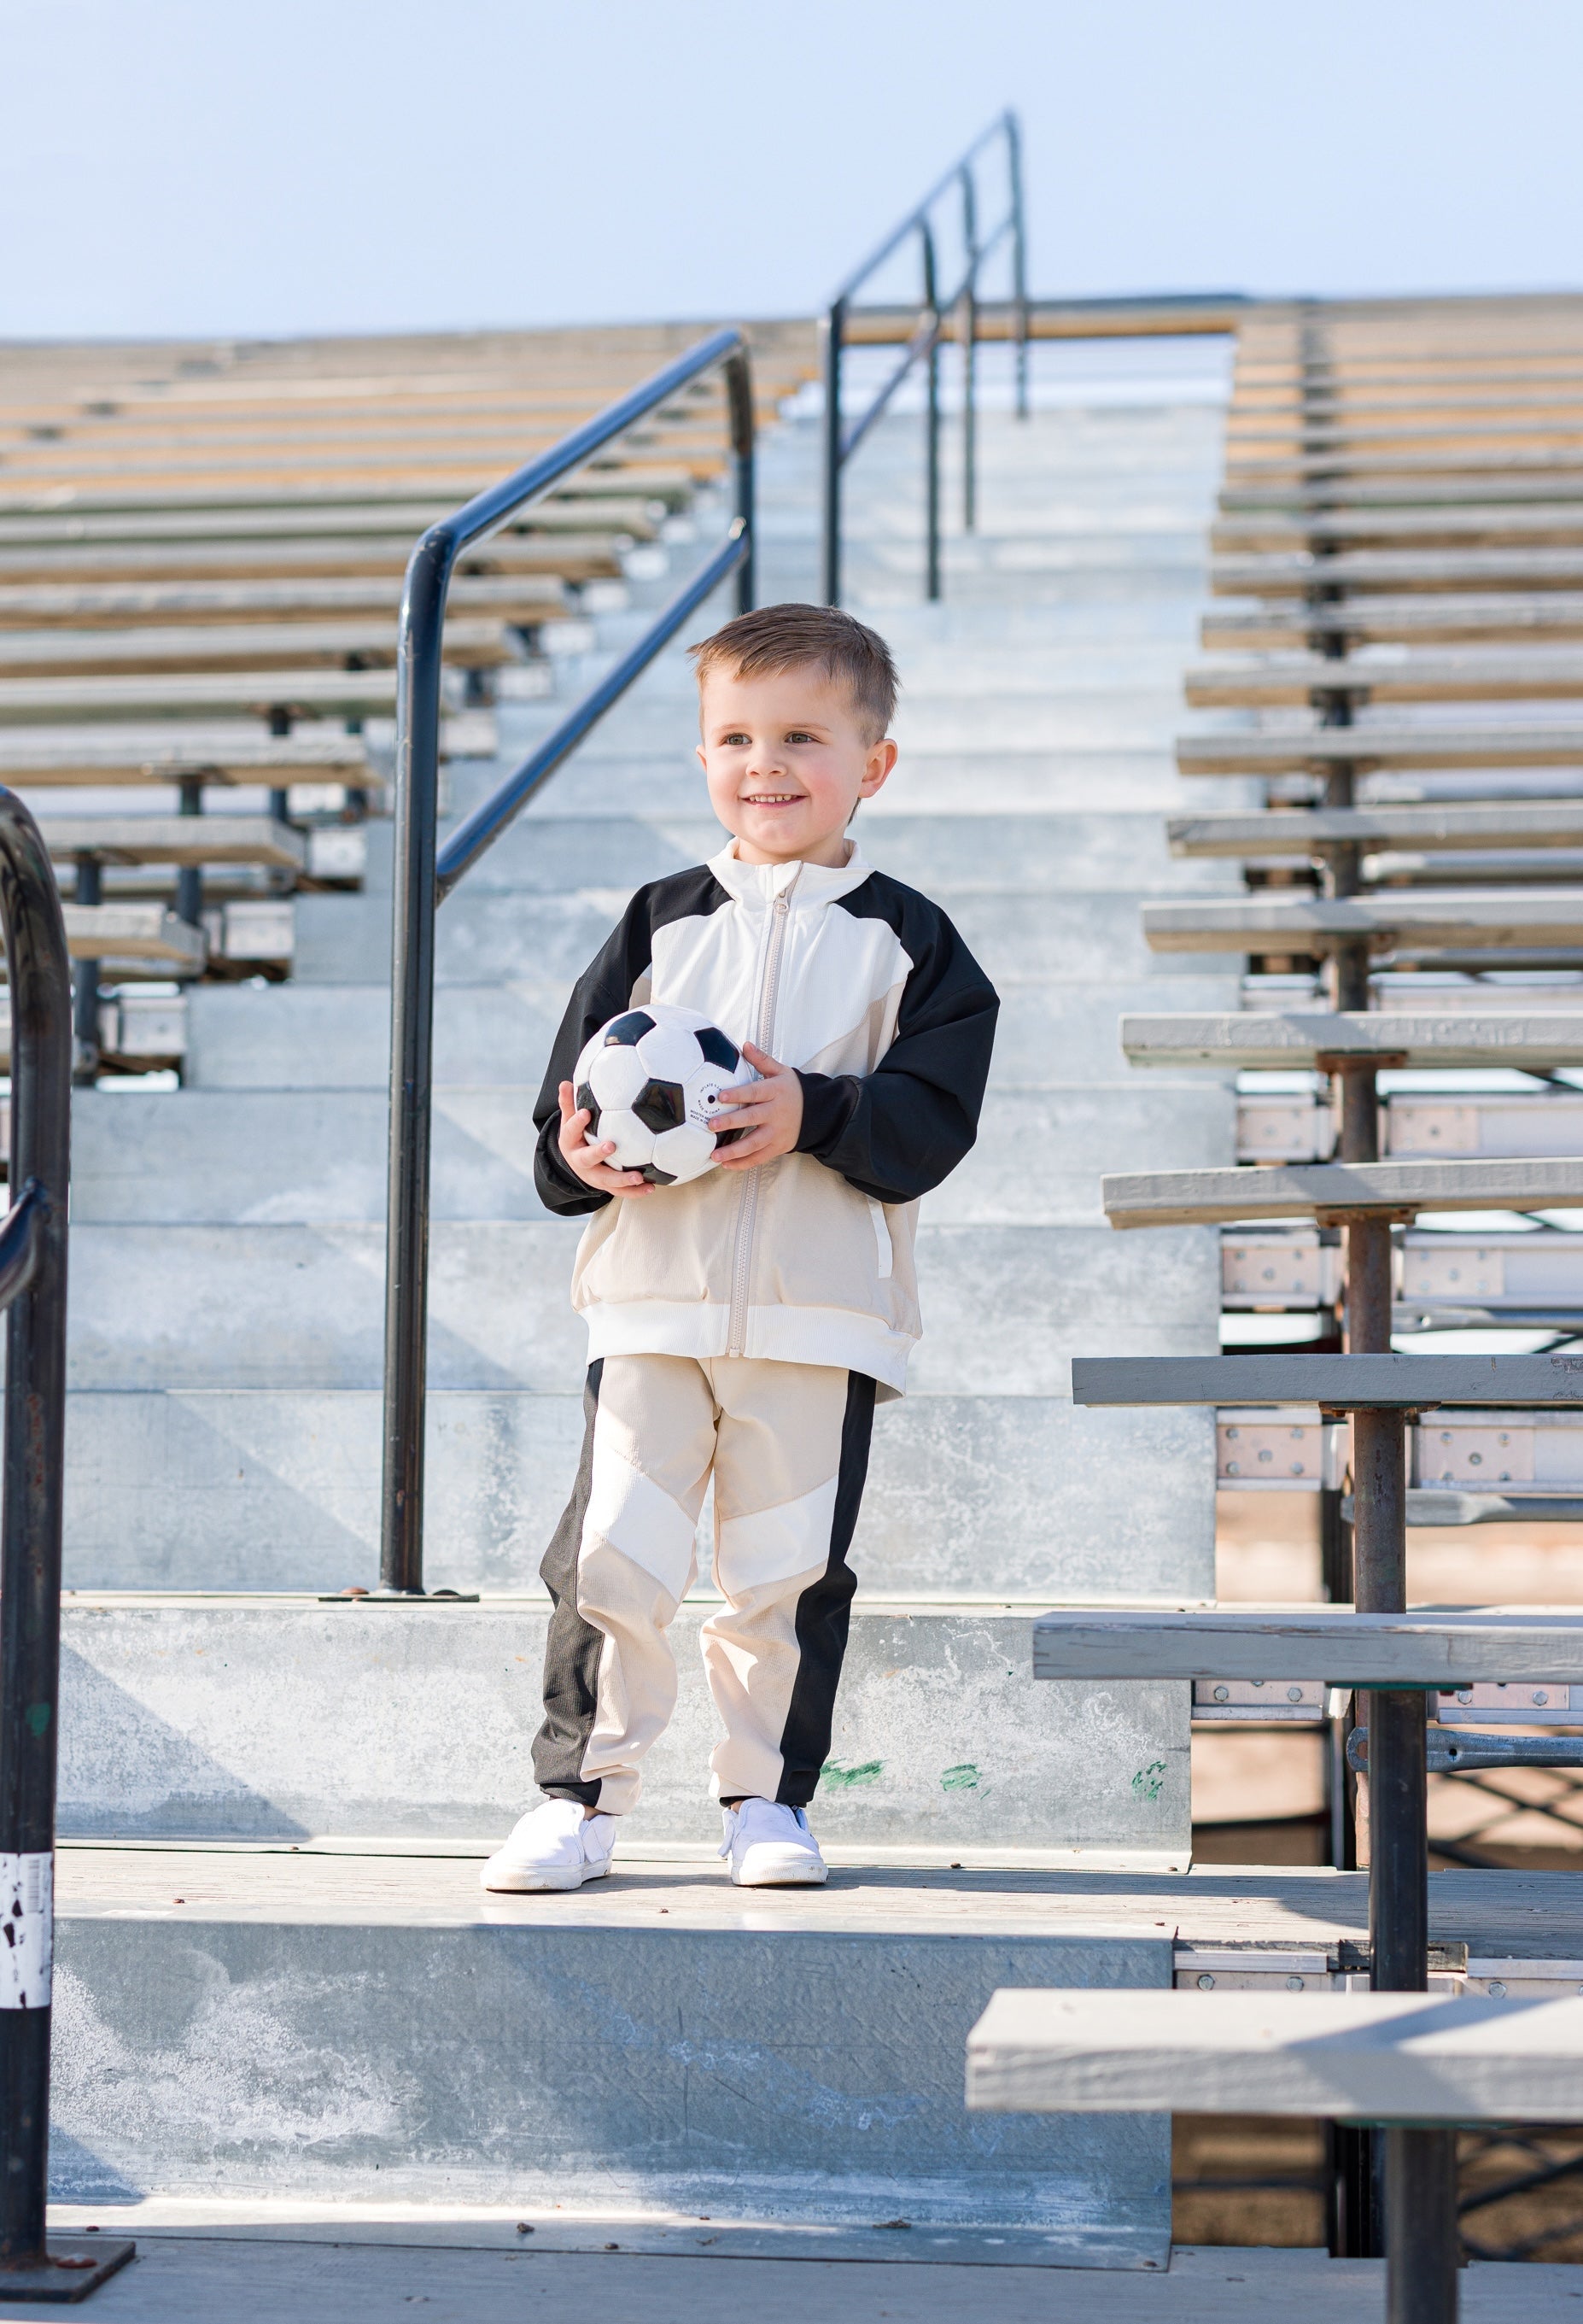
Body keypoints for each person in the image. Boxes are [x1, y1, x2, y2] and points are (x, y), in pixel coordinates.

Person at [482, 602, 998, 1893]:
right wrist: (577, 1159)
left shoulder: (914, 943)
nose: (764, 764)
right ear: (703, 754)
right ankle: (578, 1801)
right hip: (651, 1309)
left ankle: (765, 1802)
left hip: (815, 1323)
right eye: (734, 736)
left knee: (784, 1573)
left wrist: (814, 1107)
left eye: (801, 737)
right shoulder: (658, 923)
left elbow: (930, 1126)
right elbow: (565, 1116)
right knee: (611, 1558)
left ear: (870, 764)